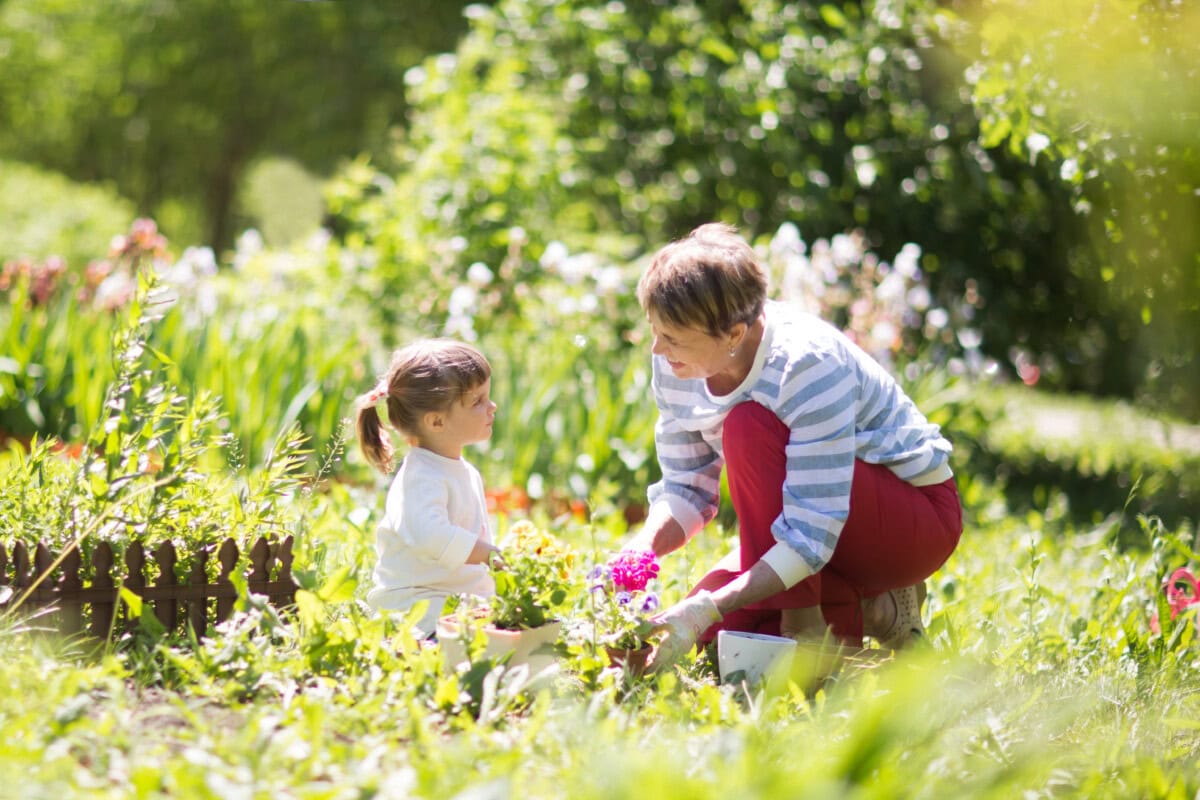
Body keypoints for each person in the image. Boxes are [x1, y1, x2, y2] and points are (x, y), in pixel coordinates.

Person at [626, 223, 963, 671]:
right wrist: (637, 558)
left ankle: (805, 630)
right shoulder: (676, 361)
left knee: (749, 425)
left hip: (907, 522)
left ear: (733, 334)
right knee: (713, 643)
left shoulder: (805, 365)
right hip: (817, 527)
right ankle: (880, 612)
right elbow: (686, 490)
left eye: (672, 338)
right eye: (656, 331)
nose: (657, 348)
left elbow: (809, 534)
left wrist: (711, 604)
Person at [355, 339, 502, 637]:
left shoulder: (462, 470)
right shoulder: (420, 478)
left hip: (451, 603)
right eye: (478, 401)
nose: (492, 406)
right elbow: (432, 535)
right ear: (436, 421)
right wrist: (490, 555)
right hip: (415, 610)